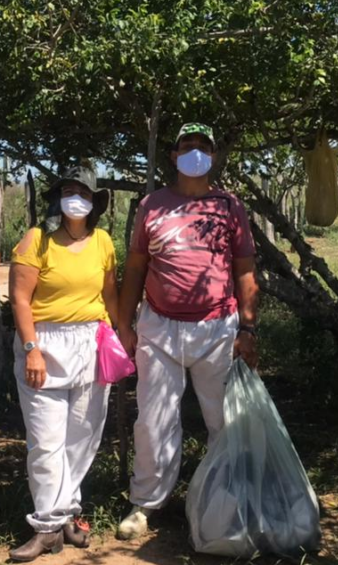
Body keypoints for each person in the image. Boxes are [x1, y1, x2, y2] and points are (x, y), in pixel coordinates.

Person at [116, 123, 260, 540]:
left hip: (217, 328)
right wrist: (124, 325)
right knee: (153, 421)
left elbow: (245, 269)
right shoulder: (152, 206)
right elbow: (137, 268)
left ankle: (223, 498)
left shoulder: (229, 206)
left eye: (202, 146)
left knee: (223, 420)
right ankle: (145, 503)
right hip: (158, 327)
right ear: (174, 155)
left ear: (213, 156)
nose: (194, 151)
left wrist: (248, 328)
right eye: (186, 145)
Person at [7, 166, 118, 561]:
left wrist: (123, 334)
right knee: (46, 441)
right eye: (68, 190)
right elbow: (20, 298)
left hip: (91, 342)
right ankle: (47, 526)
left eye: (82, 191)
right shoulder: (37, 240)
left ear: (93, 201)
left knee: (83, 437)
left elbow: (111, 295)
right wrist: (32, 347)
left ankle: (67, 513)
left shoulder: (103, 241)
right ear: (57, 198)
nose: (75, 197)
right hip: (45, 343)